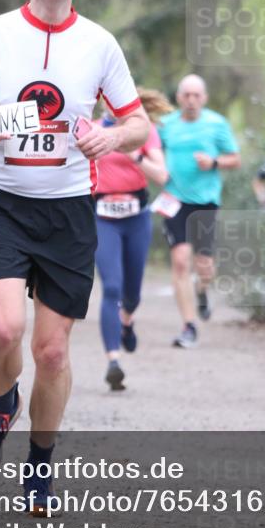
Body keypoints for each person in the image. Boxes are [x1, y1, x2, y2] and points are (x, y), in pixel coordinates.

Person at [0, 0, 149, 515]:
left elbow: (137, 124)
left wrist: (109, 136)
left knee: (52, 353)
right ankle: (3, 401)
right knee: (3, 331)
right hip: (2, 202)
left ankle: (39, 466)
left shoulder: (100, 44)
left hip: (69, 213)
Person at [93, 88, 171, 391]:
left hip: (136, 218)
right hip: (101, 217)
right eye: (107, 102)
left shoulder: (145, 132)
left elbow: (162, 176)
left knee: (132, 294)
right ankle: (113, 361)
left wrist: (133, 153)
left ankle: (127, 321)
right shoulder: (93, 131)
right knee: (110, 286)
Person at [157, 74, 240, 348]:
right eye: (186, 95)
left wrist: (214, 162)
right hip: (175, 200)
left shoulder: (216, 124)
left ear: (204, 98)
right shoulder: (165, 126)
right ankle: (189, 325)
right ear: (178, 98)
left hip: (205, 202)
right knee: (181, 261)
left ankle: (202, 291)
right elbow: (154, 153)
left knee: (204, 266)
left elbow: (235, 159)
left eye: (196, 95)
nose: (191, 100)